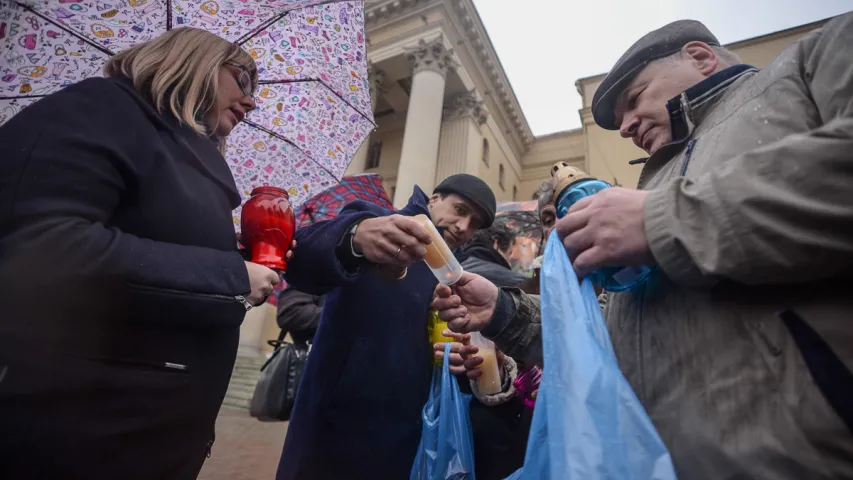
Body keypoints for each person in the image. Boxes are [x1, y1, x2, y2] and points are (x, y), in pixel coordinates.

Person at [434, 14, 853, 479]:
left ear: (699, 57)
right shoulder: (656, 179)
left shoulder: (815, 60)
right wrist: (505, 312)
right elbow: (603, 341)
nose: (628, 128)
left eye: (634, 101)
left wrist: (661, 219)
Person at [0, 28, 282, 479]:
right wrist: (229, 276)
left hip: (152, 435)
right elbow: (43, 246)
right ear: (195, 61)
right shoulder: (99, 107)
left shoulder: (184, 155)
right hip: (81, 435)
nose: (251, 102)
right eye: (244, 79)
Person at [276, 174, 496, 479]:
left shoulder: (457, 273)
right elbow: (301, 260)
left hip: (406, 430)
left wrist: (456, 354)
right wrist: (354, 237)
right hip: (334, 424)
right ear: (433, 199)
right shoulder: (376, 220)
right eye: (460, 210)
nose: (464, 227)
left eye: (475, 224)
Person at [458, 222, 528, 288]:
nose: (510, 259)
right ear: (496, 244)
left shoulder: (454, 271)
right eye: (509, 253)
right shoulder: (519, 282)